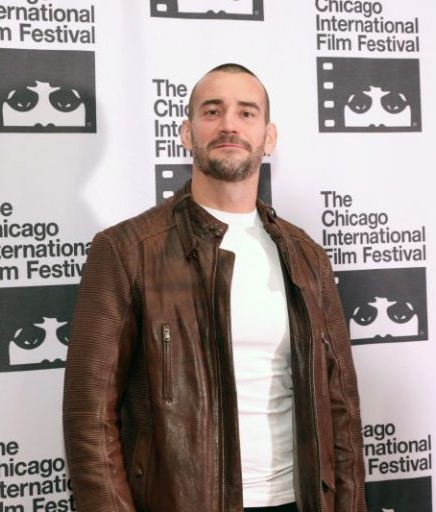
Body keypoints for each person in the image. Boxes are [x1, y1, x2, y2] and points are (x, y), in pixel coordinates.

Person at [62, 63, 366, 512]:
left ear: (269, 137)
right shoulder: (127, 250)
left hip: (296, 501)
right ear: (187, 133)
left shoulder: (307, 257)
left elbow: (341, 408)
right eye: (212, 111)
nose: (229, 125)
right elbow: (89, 416)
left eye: (246, 113)